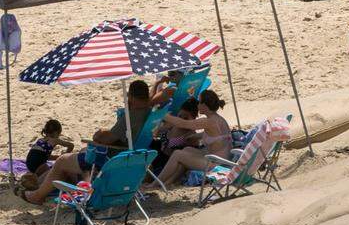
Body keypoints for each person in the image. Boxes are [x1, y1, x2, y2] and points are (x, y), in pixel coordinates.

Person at [20, 81, 151, 204]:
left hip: (110, 159)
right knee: (77, 158)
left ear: (132, 97)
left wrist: (99, 133)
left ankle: (37, 196)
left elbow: (107, 139)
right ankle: (38, 184)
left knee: (62, 160)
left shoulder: (131, 116)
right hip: (131, 159)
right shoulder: (149, 112)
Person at [142, 90, 231, 192]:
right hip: (221, 158)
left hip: (218, 164)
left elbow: (182, 123)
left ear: (204, 105)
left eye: (199, 102)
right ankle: (168, 182)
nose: (197, 105)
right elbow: (215, 136)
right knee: (187, 150)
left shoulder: (208, 121)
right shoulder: (218, 119)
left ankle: (155, 184)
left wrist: (162, 115)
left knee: (178, 154)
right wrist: (195, 136)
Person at [148, 97, 201, 175]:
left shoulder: (191, 135)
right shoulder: (174, 125)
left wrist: (162, 132)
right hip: (161, 156)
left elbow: (170, 144)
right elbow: (156, 132)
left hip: (170, 165)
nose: (182, 120)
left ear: (194, 119)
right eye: (180, 117)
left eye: (186, 118)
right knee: (149, 142)